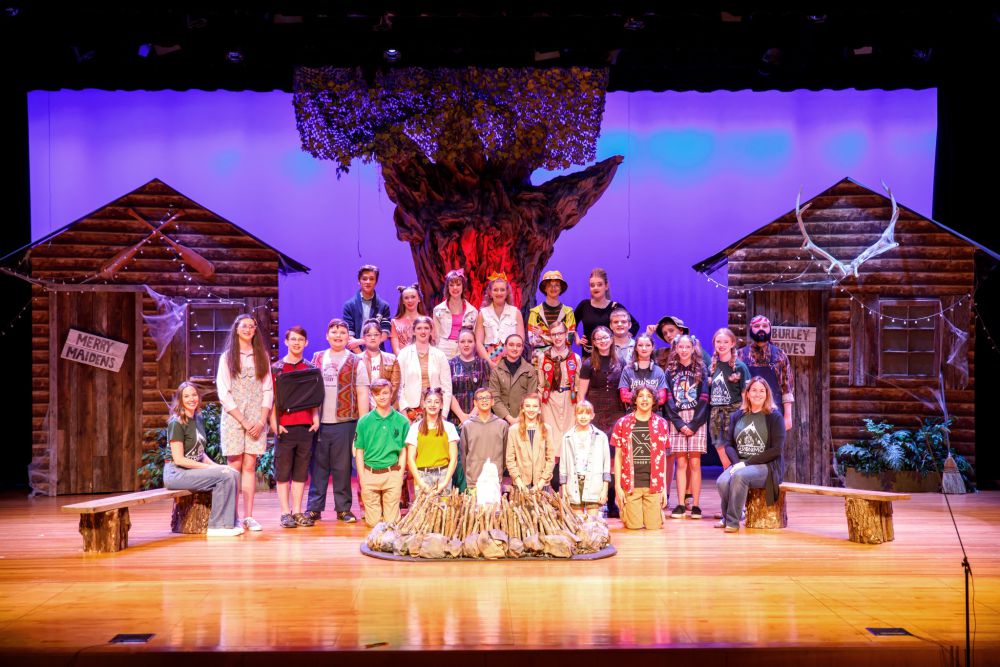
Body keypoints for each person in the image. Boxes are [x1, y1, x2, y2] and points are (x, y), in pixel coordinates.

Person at [307, 318, 369, 523]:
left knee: (342, 467)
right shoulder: (317, 358)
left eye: (342, 332)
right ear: (327, 336)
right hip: (320, 422)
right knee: (319, 467)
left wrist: (362, 424)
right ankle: (314, 508)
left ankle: (343, 508)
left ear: (348, 337)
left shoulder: (356, 361)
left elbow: (362, 393)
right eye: (334, 332)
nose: (338, 335)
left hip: (346, 422)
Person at [216, 313, 273, 532]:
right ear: (237, 329)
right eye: (244, 326)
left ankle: (249, 516)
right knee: (235, 466)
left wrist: (261, 420)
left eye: (252, 326)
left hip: (256, 417)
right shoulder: (227, 357)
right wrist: (244, 421)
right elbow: (223, 392)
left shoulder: (262, 355)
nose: (248, 329)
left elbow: (268, 389)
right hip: (234, 418)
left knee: (250, 466)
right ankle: (233, 516)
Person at [163, 382, 243, 536]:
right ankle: (217, 526)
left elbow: (201, 453)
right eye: (186, 396)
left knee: (232, 472)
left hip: (190, 471)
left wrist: (216, 466)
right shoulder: (176, 423)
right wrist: (210, 468)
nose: (191, 399)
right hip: (176, 472)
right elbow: (179, 460)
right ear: (180, 400)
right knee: (224, 476)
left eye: (194, 395)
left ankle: (231, 522)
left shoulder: (198, 418)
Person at [716, 377, 785, 533]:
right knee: (722, 482)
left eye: (762, 391)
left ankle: (732, 521)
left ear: (767, 394)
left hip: (766, 466)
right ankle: (728, 516)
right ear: (747, 394)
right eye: (753, 390)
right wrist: (737, 463)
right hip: (741, 463)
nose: (757, 394)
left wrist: (745, 464)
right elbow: (729, 444)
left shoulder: (774, 417)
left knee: (740, 476)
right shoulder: (738, 415)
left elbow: (776, 449)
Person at [269, 326, 320, 529]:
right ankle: (285, 512)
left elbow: (313, 397)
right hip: (285, 427)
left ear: (306, 343)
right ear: (286, 342)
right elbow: (271, 399)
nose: (297, 343)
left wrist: (315, 418)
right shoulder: (277, 369)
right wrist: (275, 424)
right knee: (283, 472)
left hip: (305, 426)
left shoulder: (310, 368)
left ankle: (297, 511)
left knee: (300, 471)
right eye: (293, 339)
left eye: (300, 340)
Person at [577, 325, 626, 518]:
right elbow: (581, 395)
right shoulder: (588, 364)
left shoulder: (621, 362)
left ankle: (612, 502)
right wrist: (582, 417)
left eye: (605, 337)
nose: (603, 341)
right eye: (598, 339)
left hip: (615, 413)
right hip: (595, 414)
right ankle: (594, 501)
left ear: (611, 339)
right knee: (595, 459)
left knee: (614, 460)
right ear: (594, 343)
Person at [610, 386, 672, 530]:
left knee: (653, 527)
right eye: (641, 396)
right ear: (635, 400)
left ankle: (655, 513)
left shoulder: (661, 424)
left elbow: (662, 457)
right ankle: (627, 511)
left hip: (653, 485)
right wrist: (618, 487)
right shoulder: (623, 423)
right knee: (634, 526)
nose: (645, 399)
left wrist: (663, 488)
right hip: (631, 485)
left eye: (649, 396)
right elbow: (618, 457)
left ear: (654, 401)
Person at [663, 334, 710, 520]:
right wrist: (679, 423)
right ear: (676, 349)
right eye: (680, 347)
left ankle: (696, 505)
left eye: (687, 347)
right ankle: (681, 504)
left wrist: (694, 423)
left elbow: (704, 397)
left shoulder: (700, 369)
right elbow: (668, 399)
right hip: (677, 419)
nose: (683, 350)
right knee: (680, 463)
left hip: (697, 418)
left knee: (695, 463)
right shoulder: (670, 371)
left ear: (693, 348)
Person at [354, 379, 410, 527]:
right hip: (370, 473)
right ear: (372, 396)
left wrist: (399, 475)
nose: (382, 397)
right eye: (377, 394)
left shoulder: (402, 421)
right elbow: (359, 451)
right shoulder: (364, 422)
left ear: (391, 394)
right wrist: (362, 478)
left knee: (391, 523)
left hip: (392, 473)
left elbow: (403, 450)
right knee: (373, 523)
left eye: (385, 393)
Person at [534, 321, 580, 492]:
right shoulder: (543, 357)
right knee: (550, 443)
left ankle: (567, 490)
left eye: (560, 333)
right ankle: (547, 488)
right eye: (554, 334)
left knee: (568, 444)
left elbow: (579, 384)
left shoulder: (575, 358)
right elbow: (540, 384)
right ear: (550, 336)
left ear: (566, 334)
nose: (557, 337)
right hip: (550, 401)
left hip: (569, 402)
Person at [448, 328, 492, 491]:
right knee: (459, 459)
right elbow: (448, 392)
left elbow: (485, 391)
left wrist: (472, 415)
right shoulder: (450, 364)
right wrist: (462, 417)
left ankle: (477, 493)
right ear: (458, 344)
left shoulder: (483, 364)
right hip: (456, 419)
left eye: (470, 341)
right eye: (463, 341)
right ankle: (460, 493)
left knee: (477, 456)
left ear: (475, 344)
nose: (466, 345)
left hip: (479, 418)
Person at [735, 315, 794, 431]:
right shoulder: (739, 355)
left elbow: (787, 388)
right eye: (757, 326)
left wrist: (788, 417)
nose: (761, 329)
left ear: (770, 329)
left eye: (765, 326)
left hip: (774, 415)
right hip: (746, 417)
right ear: (751, 329)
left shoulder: (780, 355)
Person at [708, 327, 751, 471]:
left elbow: (746, 394)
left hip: (734, 413)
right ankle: (729, 476)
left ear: (732, 343)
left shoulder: (740, 366)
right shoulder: (712, 367)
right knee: (720, 447)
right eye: (718, 341)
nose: (722, 345)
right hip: (716, 414)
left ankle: (739, 477)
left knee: (734, 449)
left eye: (725, 342)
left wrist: (745, 416)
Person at [559, 401, 610, 519]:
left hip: (594, 483)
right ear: (575, 415)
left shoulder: (601, 437)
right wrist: (564, 490)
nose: (583, 417)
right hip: (574, 484)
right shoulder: (567, 437)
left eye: (587, 413)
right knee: (578, 522)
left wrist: (604, 490)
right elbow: (563, 466)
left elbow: (606, 466)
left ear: (592, 416)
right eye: (580, 413)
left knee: (593, 522)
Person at [396, 316, 452, 421]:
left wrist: (443, 415)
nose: (423, 331)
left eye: (426, 328)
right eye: (419, 328)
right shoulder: (404, 354)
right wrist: (404, 414)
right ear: (413, 331)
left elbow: (447, 388)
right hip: (410, 411)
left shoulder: (440, 355)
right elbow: (399, 387)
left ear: (431, 331)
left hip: (435, 409)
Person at [406, 388, 460, 494]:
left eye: (436, 402)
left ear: (441, 405)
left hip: (443, 475)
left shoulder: (449, 427)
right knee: (423, 505)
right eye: (429, 401)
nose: (433, 405)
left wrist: (445, 483)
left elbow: (454, 459)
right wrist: (420, 482)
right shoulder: (415, 428)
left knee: (444, 505)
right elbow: (411, 459)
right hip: (422, 476)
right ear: (424, 404)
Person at [574, 268, 639, 352]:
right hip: (588, 355)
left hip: (610, 355)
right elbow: (571, 325)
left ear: (606, 286)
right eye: (592, 285)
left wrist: (622, 338)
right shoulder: (584, 305)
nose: (595, 288)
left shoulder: (615, 307)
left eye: (599, 284)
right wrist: (577, 340)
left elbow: (635, 325)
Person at [459, 387, 509, 491]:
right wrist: (470, 472)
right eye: (481, 398)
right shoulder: (467, 426)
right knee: (473, 502)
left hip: (494, 480)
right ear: (475, 403)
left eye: (487, 397)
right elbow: (464, 454)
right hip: (473, 480)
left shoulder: (502, 425)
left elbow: (505, 454)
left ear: (492, 401)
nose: (484, 400)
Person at [505, 394, 555, 492]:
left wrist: (541, 483)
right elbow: (510, 460)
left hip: (542, 484)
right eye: (527, 406)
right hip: (521, 484)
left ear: (539, 409)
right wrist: (519, 482)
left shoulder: (547, 429)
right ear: (523, 408)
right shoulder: (513, 430)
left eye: (535, 406)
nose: (531, 409)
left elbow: (550, 459)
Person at [475, 272, 525, 367]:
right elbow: (478, 343)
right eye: (495, 290)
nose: (499, 293)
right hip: (488, 361)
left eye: (502, 290)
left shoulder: (516, 313)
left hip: (511, 360)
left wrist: (511, 360)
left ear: (507, 292)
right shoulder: (483, 314)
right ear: (490, 293)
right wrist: (489, 363)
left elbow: (520, 341)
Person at [488, 334, 538, 426]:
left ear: (522, 348)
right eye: (511, 345)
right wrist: (509, 419)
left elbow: (532, 397)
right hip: (501, 422)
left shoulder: (530, 370)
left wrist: (520, 418)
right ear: (505, 347)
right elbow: (494, 398)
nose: (515, 348)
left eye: (518, 345)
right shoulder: (496, 371)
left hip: (524, 420)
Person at [343, 264, 391, 353]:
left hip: (377, 353)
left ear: (376, 281)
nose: (368, 282)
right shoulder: (349, 305)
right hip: (356, 354)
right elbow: (349, 335)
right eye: (364, 279)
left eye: (371, 279)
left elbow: (384, 335)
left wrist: (361, 341)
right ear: (359, 281)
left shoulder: (383, 306)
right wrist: (361, 356)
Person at [432, 269, 478, 359]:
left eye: (458, 284)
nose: (455, 288)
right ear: (447, 287)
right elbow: (436, 336)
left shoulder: (472, 311)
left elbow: (474, 336)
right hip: (444, 350)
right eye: (451, 285)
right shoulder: (438, 310)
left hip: (464, 349)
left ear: (463, 286)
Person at [527, 270, 576, 353]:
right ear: (545, 288)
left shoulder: (568, 313)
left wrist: (542, 335)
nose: (553, 288)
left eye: (557, 285)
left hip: (562, 357)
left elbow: (569, 340)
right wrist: (560, 337)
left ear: (561, 288)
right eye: (549, 285)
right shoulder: (535, 313)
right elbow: (533, 340)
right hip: (540, 357)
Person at [358, 318, 401, 409]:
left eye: (376, 334)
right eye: (369, 335)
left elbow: (395, 386)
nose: (373, 338)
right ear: (363, 338)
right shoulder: (357, 360)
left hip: (388, 408)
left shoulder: (392, 359)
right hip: (364, 409)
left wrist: (383, 405)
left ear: (381, 336)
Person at [618, 333, 667, 409]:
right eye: (640, 345)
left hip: (653, 412)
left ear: (653, 347)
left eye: (648, 345)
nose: (644, 348)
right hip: (633, 412)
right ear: (636, 348)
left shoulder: (659, 371)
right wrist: (649, 398)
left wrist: (638, 398)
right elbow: (624, 397)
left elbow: (662, 398)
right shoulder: (627, 370)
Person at [390, 284, 428, 354]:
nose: (410, 300)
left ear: (419, 299)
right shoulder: (395, 322)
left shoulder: (427, 321)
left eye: (413, 297)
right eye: (406, 298)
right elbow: (396, 349)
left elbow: (431, 344)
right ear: (402, 301)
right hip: (402, 359)